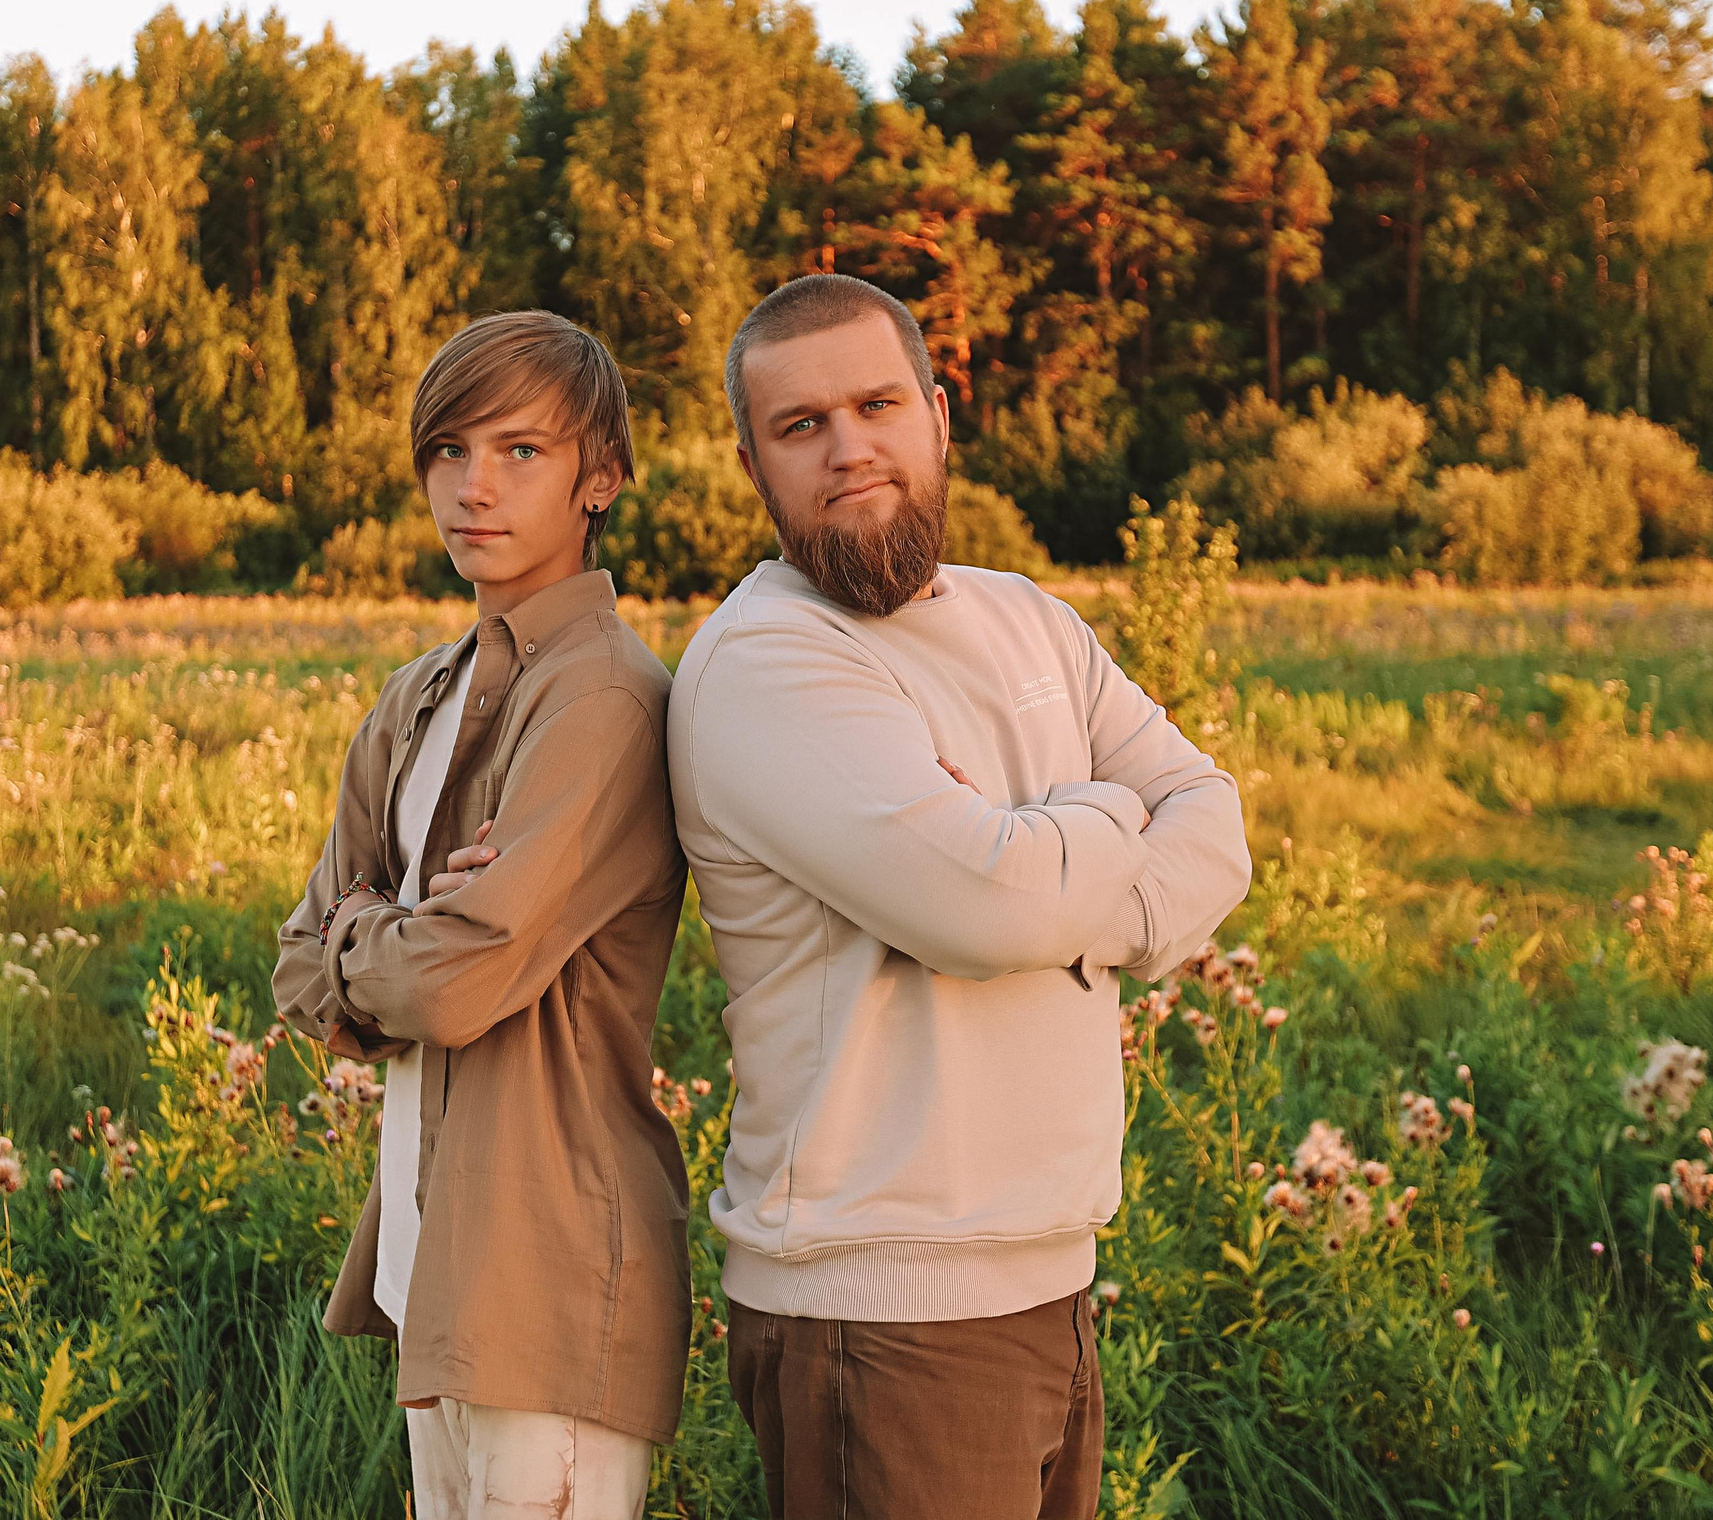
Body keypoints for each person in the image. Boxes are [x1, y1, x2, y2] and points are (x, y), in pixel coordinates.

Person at [667, 274, 1253, 1520]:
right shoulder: (766, 663)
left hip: (1047, 1276)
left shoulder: (1026, 617)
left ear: (938, 416)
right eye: (800, 425)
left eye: (877, 404)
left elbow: (1216, 828)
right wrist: (1096, 814)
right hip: (878, 1309)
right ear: (751, 463)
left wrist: (1032, 855)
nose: (848, 449)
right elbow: (989, 914)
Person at [274, 311, 690, 1520]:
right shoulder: (417, 695)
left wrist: (367, 926)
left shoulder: (604, 698)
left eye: (519, 451)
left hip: (549, 1271)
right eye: (448, 451)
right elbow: (297, 967)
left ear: (598, 476)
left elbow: (453, 983)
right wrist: (380, 938)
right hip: (429, 1265)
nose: (473, 487)